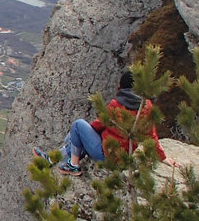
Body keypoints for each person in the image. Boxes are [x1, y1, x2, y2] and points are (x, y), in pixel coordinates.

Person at [36, 69, 167, 175]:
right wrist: (163, 157)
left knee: (78, 125)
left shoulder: (117, 104)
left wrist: (83, 135)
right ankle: (53, 158)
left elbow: (98, 124)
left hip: (107, 156)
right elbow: (151, 134)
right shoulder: (147, 106)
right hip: (124, 157)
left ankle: (73, 165)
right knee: (82, 136)